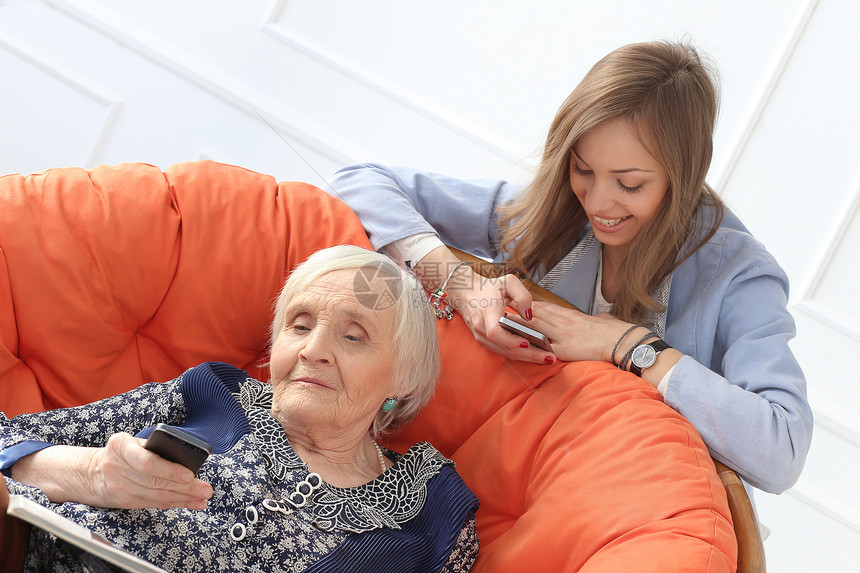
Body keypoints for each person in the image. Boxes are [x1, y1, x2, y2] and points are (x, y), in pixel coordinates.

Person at [325, 40, 812, 496]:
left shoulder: (739, 274)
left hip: (635, 501)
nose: (599, 203)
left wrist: (624, 345)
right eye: (584, 170)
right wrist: (460, 284)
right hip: (519, 469)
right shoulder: (553, 214)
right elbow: (361, 182)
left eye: (630, 184)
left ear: (681, 177)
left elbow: (781, 451)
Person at [0, 245, 479, 572]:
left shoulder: (432, 511)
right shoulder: (214, 392)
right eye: (298, 325)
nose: (313, 350)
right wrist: (86, 472)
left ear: (404, 378)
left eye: (352, 337)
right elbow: (7, 439)